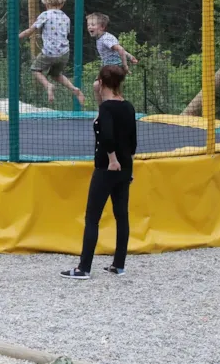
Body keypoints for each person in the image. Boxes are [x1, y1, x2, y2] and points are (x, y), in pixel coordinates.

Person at [61, 65, 137, 280]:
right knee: (121, 216)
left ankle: (84, 268)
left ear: (102, 82)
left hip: (107, 168)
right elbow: (132, 142)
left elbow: (107, 136)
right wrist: (129, 167)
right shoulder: (127, 107)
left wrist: (112, 159)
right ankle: (118, 264)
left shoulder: (107, 109)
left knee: (92, 217)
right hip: (125, 169)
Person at [18, 0, 85, 106]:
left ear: (46, 3)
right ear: (62, 4)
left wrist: (16, 37)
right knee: (55, 74)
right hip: (64, 53)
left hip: (49, 52)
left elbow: (31, 30)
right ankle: (74, 89)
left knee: (35, 69)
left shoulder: (45, 15)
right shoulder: (66, 17)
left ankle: (48, 85)